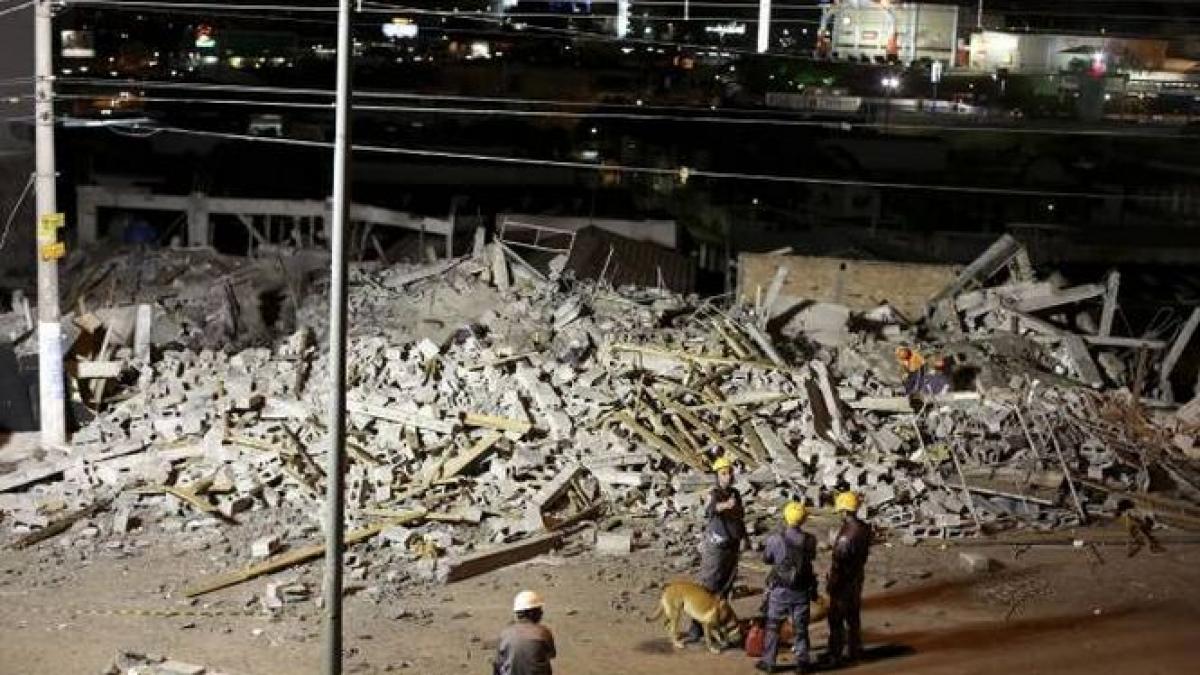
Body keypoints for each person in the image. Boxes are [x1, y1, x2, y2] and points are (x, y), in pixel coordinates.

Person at [687, 455, 747, 642]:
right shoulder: (714, 493)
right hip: (717, 546)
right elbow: (710, 510)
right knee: (708, 585)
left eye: (729, 472)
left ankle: (717, 622)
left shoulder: (736, 493)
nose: (727, 476)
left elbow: (739, 517)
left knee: (725, 587)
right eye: (723, 473)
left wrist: (744, 537)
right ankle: (696, 628)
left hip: (732, 545)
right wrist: (723, 506)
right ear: (717, 476)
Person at [756, 501, 818, 674]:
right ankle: (802, 662)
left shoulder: (776, 539)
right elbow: (810, 558)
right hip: (801, 591)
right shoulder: (810, 540)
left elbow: (767, 559)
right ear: (804, 519)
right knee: (800, 627)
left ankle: (769, 662)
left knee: (773, 626)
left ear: (785, 517)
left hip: (780, 591)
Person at [823, 492, 871, 668]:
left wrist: (831, 584)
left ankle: (834, 655)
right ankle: (854, 650)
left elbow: (839, 564)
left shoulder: (845, 537)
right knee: (853, 616)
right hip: (857, 577)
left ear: (843, 511)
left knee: (836, 619)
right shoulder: (864, 528)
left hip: (844, 581)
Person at [494, 590, 556, 675]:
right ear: (532, 613)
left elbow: (498, 663)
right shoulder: (543, 632)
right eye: (539, 611)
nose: (542, 613)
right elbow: (551, 654)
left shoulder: (505, 633)